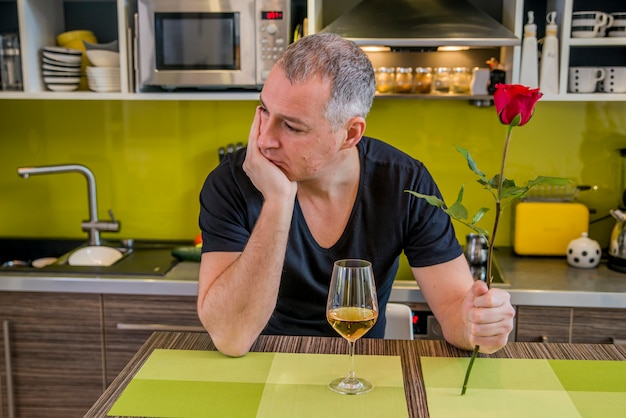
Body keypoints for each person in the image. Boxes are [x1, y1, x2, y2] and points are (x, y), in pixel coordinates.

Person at [197, 32, 515, 357]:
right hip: (261, 368)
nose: (264, 140)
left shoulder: (404, 182)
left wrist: (477, 323)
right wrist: (278, 203)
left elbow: (452, 309)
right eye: (264, 111)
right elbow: (230, 338)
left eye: (292, 127)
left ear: (350, 134)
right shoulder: (232, 183)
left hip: (361, 372)